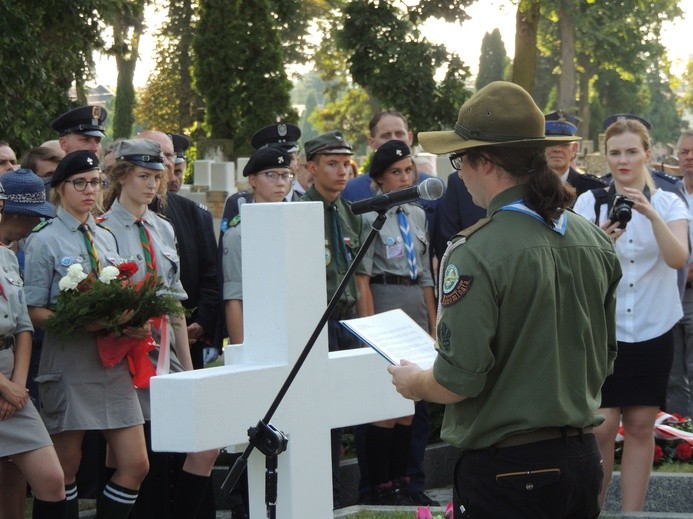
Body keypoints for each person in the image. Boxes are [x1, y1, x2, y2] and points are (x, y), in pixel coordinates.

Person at [388, 81, 623, 519]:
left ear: (487, 162)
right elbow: (606, 356)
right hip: (581, 461)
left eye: (460, 159)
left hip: (510, 473)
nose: (456, 173)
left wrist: (415, 381)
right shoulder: (592, 238)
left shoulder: (474, 250)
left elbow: (459, 380)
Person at [24, 150, 150, 519]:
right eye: (79, 183)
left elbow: (120, 290)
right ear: (60, 189)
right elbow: (31, 310)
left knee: (136, 464)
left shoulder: (105, 235)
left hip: (112, 363)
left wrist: (131, 319)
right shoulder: (44, 239)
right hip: (70, 362)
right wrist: (81, 322)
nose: (89, 190)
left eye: (95, 182)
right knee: (64, 470)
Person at [573, 118, 689, 511]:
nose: (623, 161)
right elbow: (575, 270)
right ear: (605, 156)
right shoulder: (590, 202)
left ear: (647, 153)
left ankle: (632, 513)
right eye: (615, 153)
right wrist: (599, 245)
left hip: (654, 329)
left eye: (631, 152)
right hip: (607, 332)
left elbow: (678, 258)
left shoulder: (670, 201)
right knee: (602, 426)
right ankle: (596, 508)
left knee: (641, 427)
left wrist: (650, 213)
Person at [101, 138, 218, 519]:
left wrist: (188, 371)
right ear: (121, 177)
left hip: (165, 351)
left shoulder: (163, 228)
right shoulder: (102, 230)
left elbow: (175, 304)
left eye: (158, 176)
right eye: (143, 176)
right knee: (140, 455)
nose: (153, 184)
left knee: (203, 443)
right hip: (124, 355)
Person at [356, 140, 436, 505]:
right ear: (380, 180)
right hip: (385, 306)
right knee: (385, 408)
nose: (405, 178)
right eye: (396, 173)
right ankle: (379, 486)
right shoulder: (370, 217)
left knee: (410, 407)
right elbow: (363, 278)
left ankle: (404, 483)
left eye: (409, 170)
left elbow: (426, 278)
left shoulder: (418, 215)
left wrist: (434, 327)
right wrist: (369, 328)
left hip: (415, 309)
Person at [301, 130, 369, 509]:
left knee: (341, 413)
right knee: (317, 414)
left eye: (346, 163)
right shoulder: (300, 210)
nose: (343, 171)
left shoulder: (349, 213)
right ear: (312, 168)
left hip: (345, 321)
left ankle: (335, 493)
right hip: (314, 323)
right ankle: (319, 494)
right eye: (332, 163)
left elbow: (356, 276)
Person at [0, 179, 64, 519]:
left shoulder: (9, 258)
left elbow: (23, 326)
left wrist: (18, 385)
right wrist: (3, 385)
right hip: (3, 381)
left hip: (12, 373)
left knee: (50, 480)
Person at [223, 146, 293, 344]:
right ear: (252, 180)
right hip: (259, 329)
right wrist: (242, 349)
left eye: (286, 175)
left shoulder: (295, 226)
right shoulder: (238, 234)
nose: (280, 182)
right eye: (271, 175)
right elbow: (234, 298)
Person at [219, 123, 301, 238]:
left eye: (289, 158)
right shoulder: (239, 203)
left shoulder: (306, 201)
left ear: (297, 162)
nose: (283, 163)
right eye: (274, 158)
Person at [668, 129, 693, 418]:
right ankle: (678, 433)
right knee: (672, 370)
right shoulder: (667, 192)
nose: (689, 157)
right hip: (669, 293)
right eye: (684, 151)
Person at [543, 110, 606, 197]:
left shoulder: (593, 188)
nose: (557, 149)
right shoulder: (529, 185)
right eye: (551, 143)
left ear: (574, 149)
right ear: (541, 148)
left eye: (564, 144)